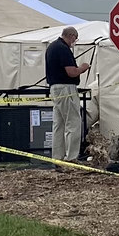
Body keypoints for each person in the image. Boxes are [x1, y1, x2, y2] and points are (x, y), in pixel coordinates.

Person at [45, 26, 89, 162]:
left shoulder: (51, 47)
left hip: (55, 89)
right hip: (66, 89)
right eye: (75, 39)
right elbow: (71, 72)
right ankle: (72, 157)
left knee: (59, 124)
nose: (74, 42)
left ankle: (57, 157)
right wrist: (83, 68)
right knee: (73, 123)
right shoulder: (63, 49)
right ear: (71, 35)